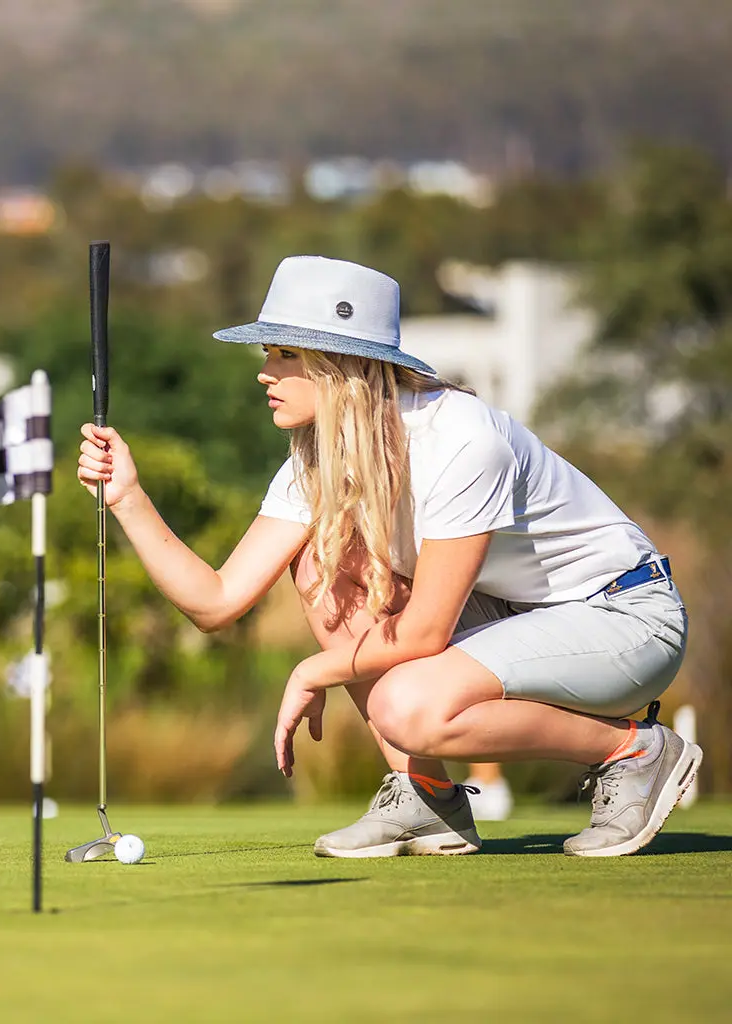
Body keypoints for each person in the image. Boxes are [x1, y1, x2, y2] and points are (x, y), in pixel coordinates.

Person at [76, 255, 701, 859]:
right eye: (268, 352)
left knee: (407, 706)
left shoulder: (462, 439)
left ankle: (633, 753)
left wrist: (313, 671)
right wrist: (128, 498)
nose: (265, 372)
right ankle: (425, 793)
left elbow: (425, 631)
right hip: (517, 621)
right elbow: (216, 603)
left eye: (285, 353)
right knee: (323, 563)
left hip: (624, 620)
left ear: (341, 363)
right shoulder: (314, 461)